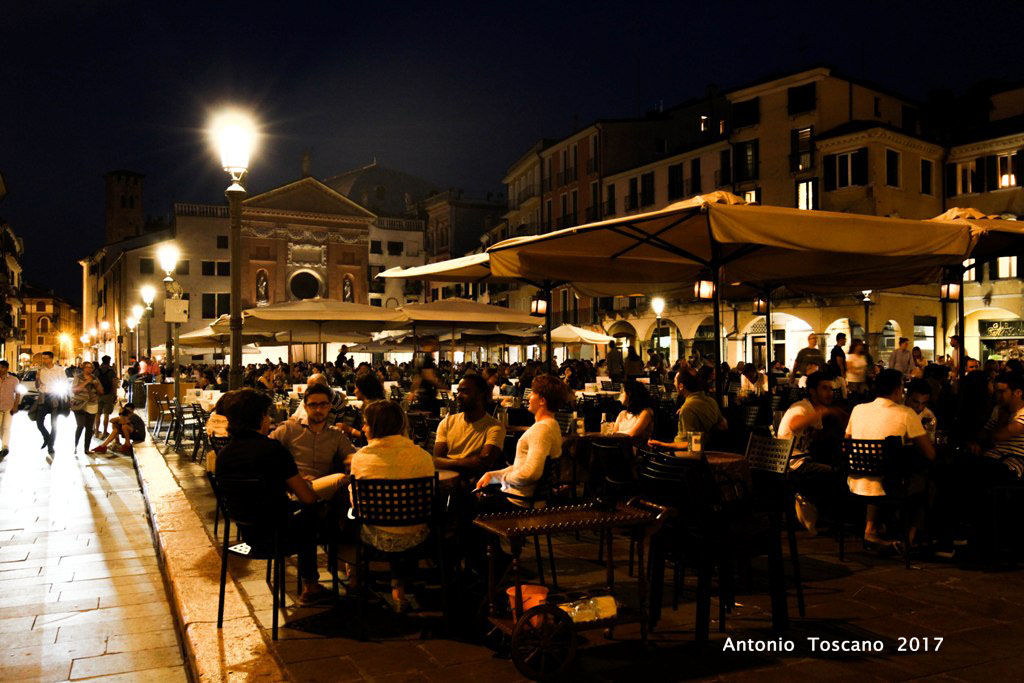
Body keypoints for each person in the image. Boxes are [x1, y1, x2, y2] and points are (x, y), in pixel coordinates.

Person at [215, 389, 330, 606]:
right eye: (267, 414)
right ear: (259, 417)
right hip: (279, 535)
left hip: (248, 536)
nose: (269, 419)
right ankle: (312, 585)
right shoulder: (272, 450)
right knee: (313, 511)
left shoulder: (224, 456)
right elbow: (307, 498)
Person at [350, 399, 435, 612]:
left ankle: (354, 578)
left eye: (366, 423)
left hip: (376, 535)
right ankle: (400, 584)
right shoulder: (422, 456)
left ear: (376, 426)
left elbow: (356, 503)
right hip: (417, 534)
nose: (362, 428)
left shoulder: (361, 458)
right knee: (398, 518)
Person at [845, 369, 935, 546]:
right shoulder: (905, 413)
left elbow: (847, 441)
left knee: (886, 470)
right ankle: (909, 538)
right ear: (897, 390)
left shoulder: (858, 410)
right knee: (928, 483)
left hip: (855, 481)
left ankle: (871, 530)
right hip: (887, 485)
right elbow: (930, 453)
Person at [477, 375, 570, 504]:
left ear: (542, 401)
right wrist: (492, 476)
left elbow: (531, 473)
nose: (528, 396)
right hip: (520, 497)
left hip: (518, 501)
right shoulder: (552, 425)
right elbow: (522, 467)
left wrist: (502, 479)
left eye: (532, 393)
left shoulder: (541, 430)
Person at [777, 371, 845, 532]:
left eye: (831, 389)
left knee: (835, 467)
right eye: (825, 388)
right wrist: (822, 413)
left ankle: (815, 512)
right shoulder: (802, 407)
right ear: (813, 391)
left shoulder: (814, 409)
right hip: (793, 464)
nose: (829, 393)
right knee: (838, 475)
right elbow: (794, 424)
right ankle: (822, 517)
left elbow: (817, 438)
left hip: (796, 461)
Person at [270, 384, 354, 500]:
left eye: (323, 404)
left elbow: (352, 457)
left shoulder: (336, 435)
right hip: (294, 487)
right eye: (313, 405)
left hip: (323, 487)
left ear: (330, 406)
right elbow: (265, 450)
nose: (318, 410)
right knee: (341, 480)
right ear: (305, 407)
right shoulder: (290, 428)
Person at [433, 374, 505, 474]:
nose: (458, 396)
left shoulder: (494, 427)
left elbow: (483, 463)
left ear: (480, 394)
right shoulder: (447, 423)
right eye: (458, 391)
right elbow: (436, 461)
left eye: (465, 392)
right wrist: (463, 463)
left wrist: (447, 462)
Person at [648, 371, 727, 451]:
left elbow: (693, 445)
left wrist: (661, 444)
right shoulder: (711, 401)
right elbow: (723, 425)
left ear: (681, 386)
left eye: (675, 381)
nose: (674, 384)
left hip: (684, 456)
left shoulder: (688, 408)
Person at [35, 351, 68, 455]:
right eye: (43, 358)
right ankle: (46, 437)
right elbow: (37, 386)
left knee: (54, 424)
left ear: (51, 359)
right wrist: (37, 378)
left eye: (46, 358)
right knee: (39, 422)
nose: (44, 360)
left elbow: (64, 383)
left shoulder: (59, 370)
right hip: (43, 397)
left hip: (55, 397)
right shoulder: (41, 370)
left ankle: (50, 445)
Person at [70, 361, 103, 454]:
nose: (89, 369)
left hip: (92, 404)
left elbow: (101, 392)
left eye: (90, 367)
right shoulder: (78, 377)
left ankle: (86, 449)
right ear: (83, 368)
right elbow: (75, 390)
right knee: (80, 426)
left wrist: (96, 385)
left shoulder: (95, 378)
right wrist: (87, 382)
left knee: (89, 428)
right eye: (87, 367)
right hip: (79, 404)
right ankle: (75, 445)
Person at [612, 379, 654, 445]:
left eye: (622, 392)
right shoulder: (622, 413)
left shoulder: (645, 412)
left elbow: (632, 434)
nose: (620, 394)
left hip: (637, 450)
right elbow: (614, 434)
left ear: (629, 394)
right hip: (621, 447)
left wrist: (618, 434)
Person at [0, 360, 20, 457]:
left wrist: (16, 406)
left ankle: (5, 447)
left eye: (2, 367)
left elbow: (18, 393)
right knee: (1, 429)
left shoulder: (14, 380)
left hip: (9, 407)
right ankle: (4, 444)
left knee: (6, 427)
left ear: (7, 368)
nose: (0, 369)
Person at [95, 355, 118, 438]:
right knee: (106, 414)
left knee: (97, 414)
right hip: (108, 394)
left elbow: (94, 382)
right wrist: (115, 394)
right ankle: (105, 431)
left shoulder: (97, 371)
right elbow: (114, 383)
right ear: (109, 361)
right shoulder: (111, 371)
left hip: (98, 395)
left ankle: (96, 431)